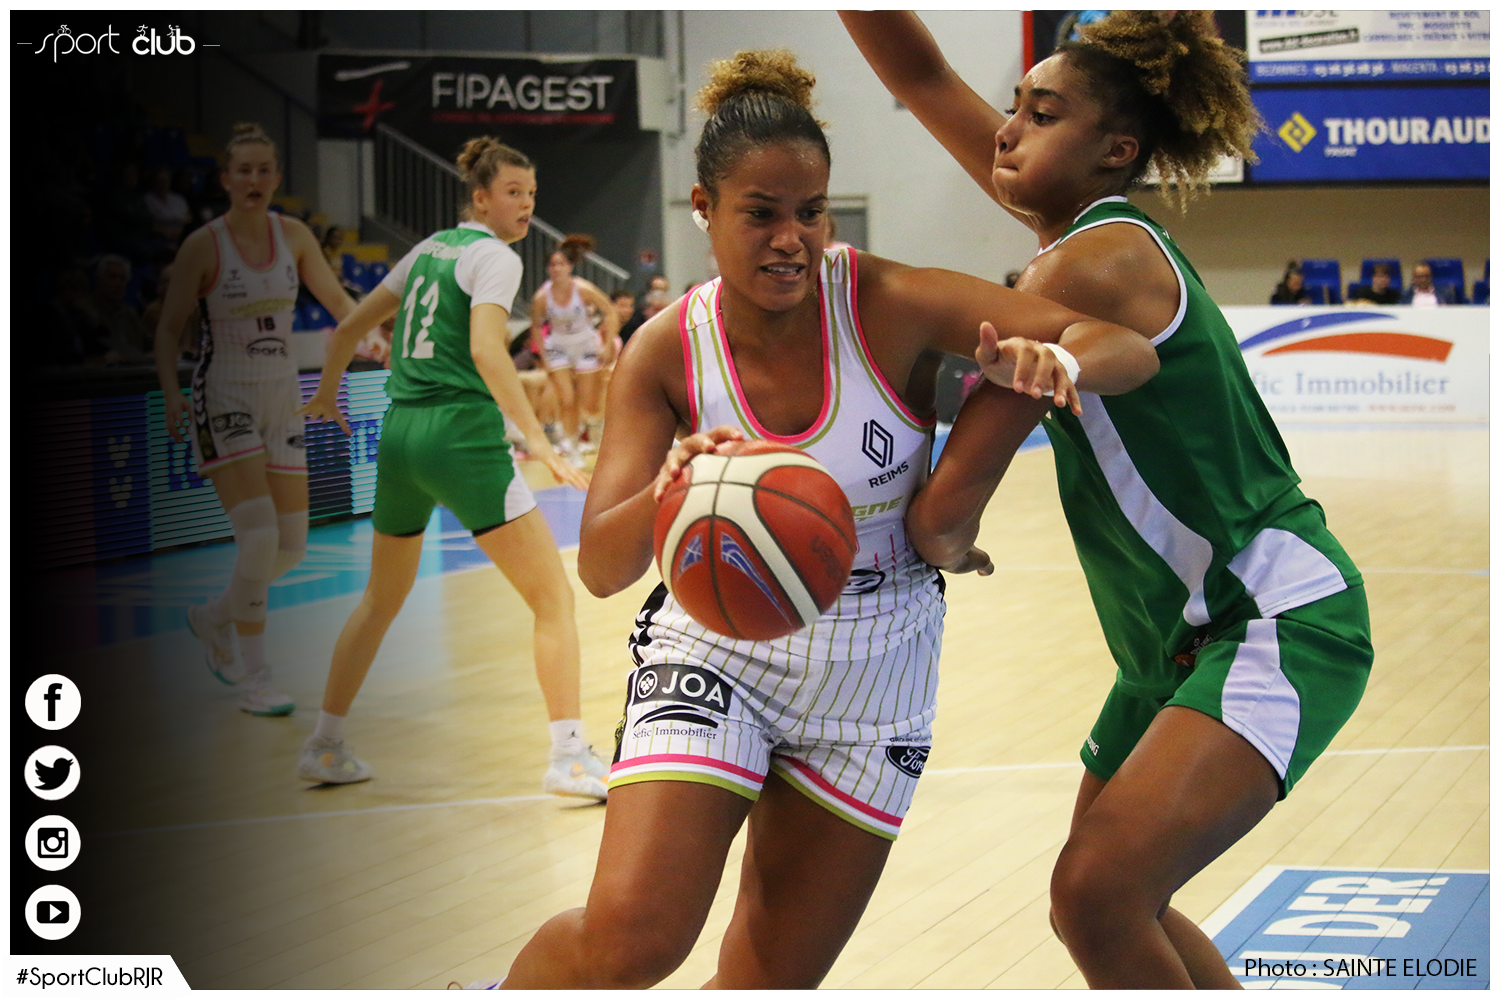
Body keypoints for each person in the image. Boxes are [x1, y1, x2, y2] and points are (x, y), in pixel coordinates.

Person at [482, 49, 1154, 991]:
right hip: (717, 649)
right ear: (704, 208)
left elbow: (1125, 343)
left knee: (767, 980)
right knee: (634, 937)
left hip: (879, 664)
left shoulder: (890, 301)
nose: (791, 238)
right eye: (761, 213)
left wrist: (1064, 361)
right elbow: (599, 566)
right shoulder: (666, 349)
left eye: (811, 211)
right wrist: (672, 487)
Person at [842, 10, 1374, 989]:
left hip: (1269, 617)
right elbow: (922, 79)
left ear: (1116, 150)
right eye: (1013, 108)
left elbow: (944, 515)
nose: (1007, 130)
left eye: (1040, 115)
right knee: (1106, 900)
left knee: (1099, 893)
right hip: (1176, 641)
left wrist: (940, 542)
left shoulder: (1086, 264)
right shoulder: (1079, 238)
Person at [295, 138, 608, 799]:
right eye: (513, 192)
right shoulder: (494, 257)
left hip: (400, 434)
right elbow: (488, 352)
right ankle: (569, 758)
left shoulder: (428, 249)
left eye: (531, 193)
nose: (526, 204)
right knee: (552, 599)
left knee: (380, 599)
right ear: (480, 198)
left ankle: (324, 743)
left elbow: (349, 326)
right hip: (459, 436)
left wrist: (326, 392)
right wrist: (539, 440)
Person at [154, 123, 358, 716]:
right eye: (243, 170)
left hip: (281, 394)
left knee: (291, 547)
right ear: (224, 179)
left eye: (264, 170)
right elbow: (168, 329)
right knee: (260, 537)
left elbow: (340, 304)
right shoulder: (204, 245)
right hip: (224, 394)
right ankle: (256, 678)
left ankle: (213, 617)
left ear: (276, 178)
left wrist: (380, 338)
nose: (254, 179)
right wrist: (171, 394)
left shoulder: (294, 235)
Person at [530, 234, 620, 463]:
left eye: (561, 264)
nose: (557, 268)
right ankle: (572, 447)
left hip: (585, 343)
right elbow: (536, 326)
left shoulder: (584, 289)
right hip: (558, 345)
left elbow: (610, 312)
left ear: (569, 266)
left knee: (589, 404)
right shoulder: (542, 297)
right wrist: (544, 356)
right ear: (548, 269)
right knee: (566, 399)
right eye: (552, 265)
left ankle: (584, 429)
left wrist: (607, 343)